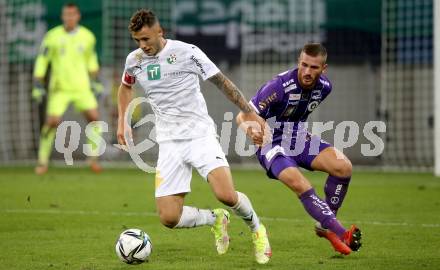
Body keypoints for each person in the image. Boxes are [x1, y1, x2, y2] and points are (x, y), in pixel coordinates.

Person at [116, 9, 271, 264]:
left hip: (200, 135)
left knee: (226, 195)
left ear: (159, 32)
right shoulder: (134, 60)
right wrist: (123, 121)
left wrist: (250, 112)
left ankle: (257, 229)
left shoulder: (187, 52)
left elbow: (222, 82)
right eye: (137, 41)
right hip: (168, 142)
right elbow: (125, 87)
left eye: (145, 39)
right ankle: (215, 219)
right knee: (168, 218)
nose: (142, 46)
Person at [237, 43, 362, 255]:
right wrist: (251, 131)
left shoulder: (325, 87)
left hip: (299, 139)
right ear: (298, 62)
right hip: (271, 143)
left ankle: (326, 224)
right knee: (300, 183)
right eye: (303, 65)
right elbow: (242, 115)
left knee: (343, 167)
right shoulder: (277, 86)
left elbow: (297, 114)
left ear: (324, 68)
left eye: (314, 67)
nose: (307, 71)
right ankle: (340, 232)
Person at [32, 3, 103, 175]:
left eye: (72, 15)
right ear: (62, 16)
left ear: (78, 16)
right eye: (66, 15)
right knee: (52, 122)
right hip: (60, 88)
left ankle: (93, 159)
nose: (69, 18)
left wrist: (96, 81)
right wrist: (37, 83)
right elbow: (43, 60)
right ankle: (42, 161)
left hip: (82, 87)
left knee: (95, 119)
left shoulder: (87, 37)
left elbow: (91, 60)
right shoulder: (52, 36)